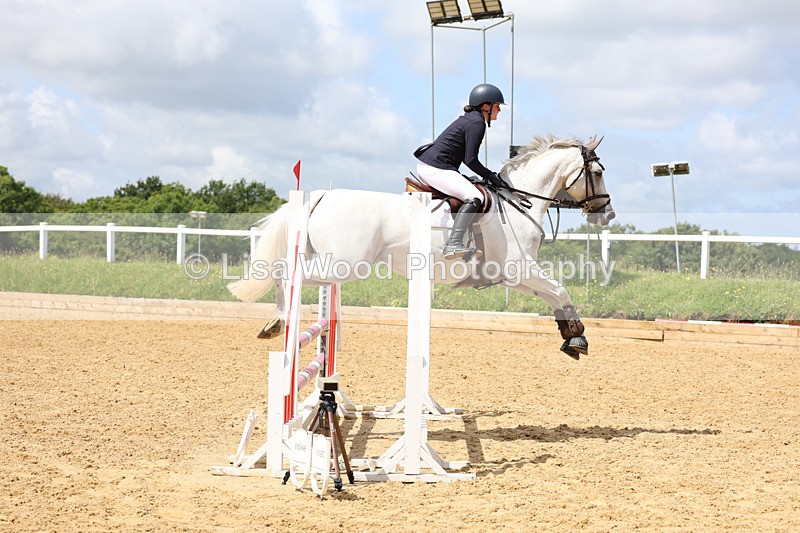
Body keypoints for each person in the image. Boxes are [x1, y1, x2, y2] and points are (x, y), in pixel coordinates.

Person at [413, 83, 506, 259]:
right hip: (435, 168)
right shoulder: (477, 123)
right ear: (486, 106)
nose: (499, 110)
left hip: (435, 166)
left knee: (472, 186)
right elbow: (470, 160)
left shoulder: (471, 119)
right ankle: (453, 243)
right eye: (497, 105)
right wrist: (491, 176)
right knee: (475, 197)